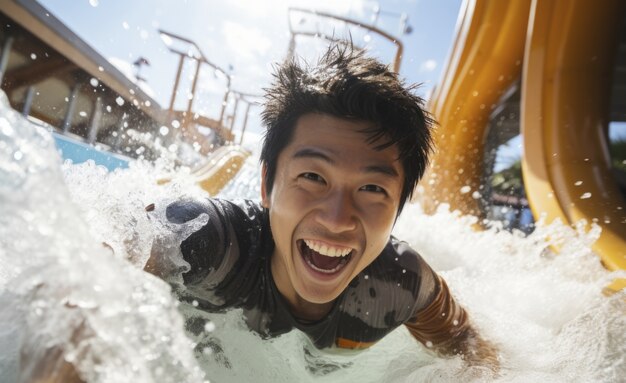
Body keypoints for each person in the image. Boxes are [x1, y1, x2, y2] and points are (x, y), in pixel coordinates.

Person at [147, 42, 498, 369]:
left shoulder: (401, 285)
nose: (337, 219)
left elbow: (472, 350)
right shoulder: (207, 238)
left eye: (372, 188)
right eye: (313, 177)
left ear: (398, 207)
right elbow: (109, 252)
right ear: (266, 185)